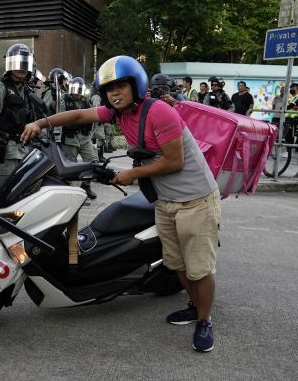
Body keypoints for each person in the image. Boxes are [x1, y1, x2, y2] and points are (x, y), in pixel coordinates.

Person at [21, 55, 221, 353]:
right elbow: (78, 117)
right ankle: (194, 306)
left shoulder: (159, 113)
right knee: (176, 263)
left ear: (136, 85)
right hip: (165, 201)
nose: (115, 93)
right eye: (109, 88)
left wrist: (132, 173)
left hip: (195, 200)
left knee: (198, 268)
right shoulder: (118, 114)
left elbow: (174, 160)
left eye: (121, 86)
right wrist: (40, 122)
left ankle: (205, 319)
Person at [0, 43, 36, 197]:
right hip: (6, 152)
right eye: (18, 63)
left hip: (25, 150)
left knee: (25, 192)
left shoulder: (26, 91)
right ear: (10, 64)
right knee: (3, 194)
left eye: (25, 63)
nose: (21, 68)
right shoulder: (0, 88)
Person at [61, 76, 97, 199]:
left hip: (85, 138)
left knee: (92, 160)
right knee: (69, 165)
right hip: (70, 139)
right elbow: (58, 118)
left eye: (79, 90)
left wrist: (92, 135)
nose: (76, 93)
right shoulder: (63, 100)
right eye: (74, 89)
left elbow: (93, 118)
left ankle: (86, 185)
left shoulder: (86, 102)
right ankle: (67, 190)